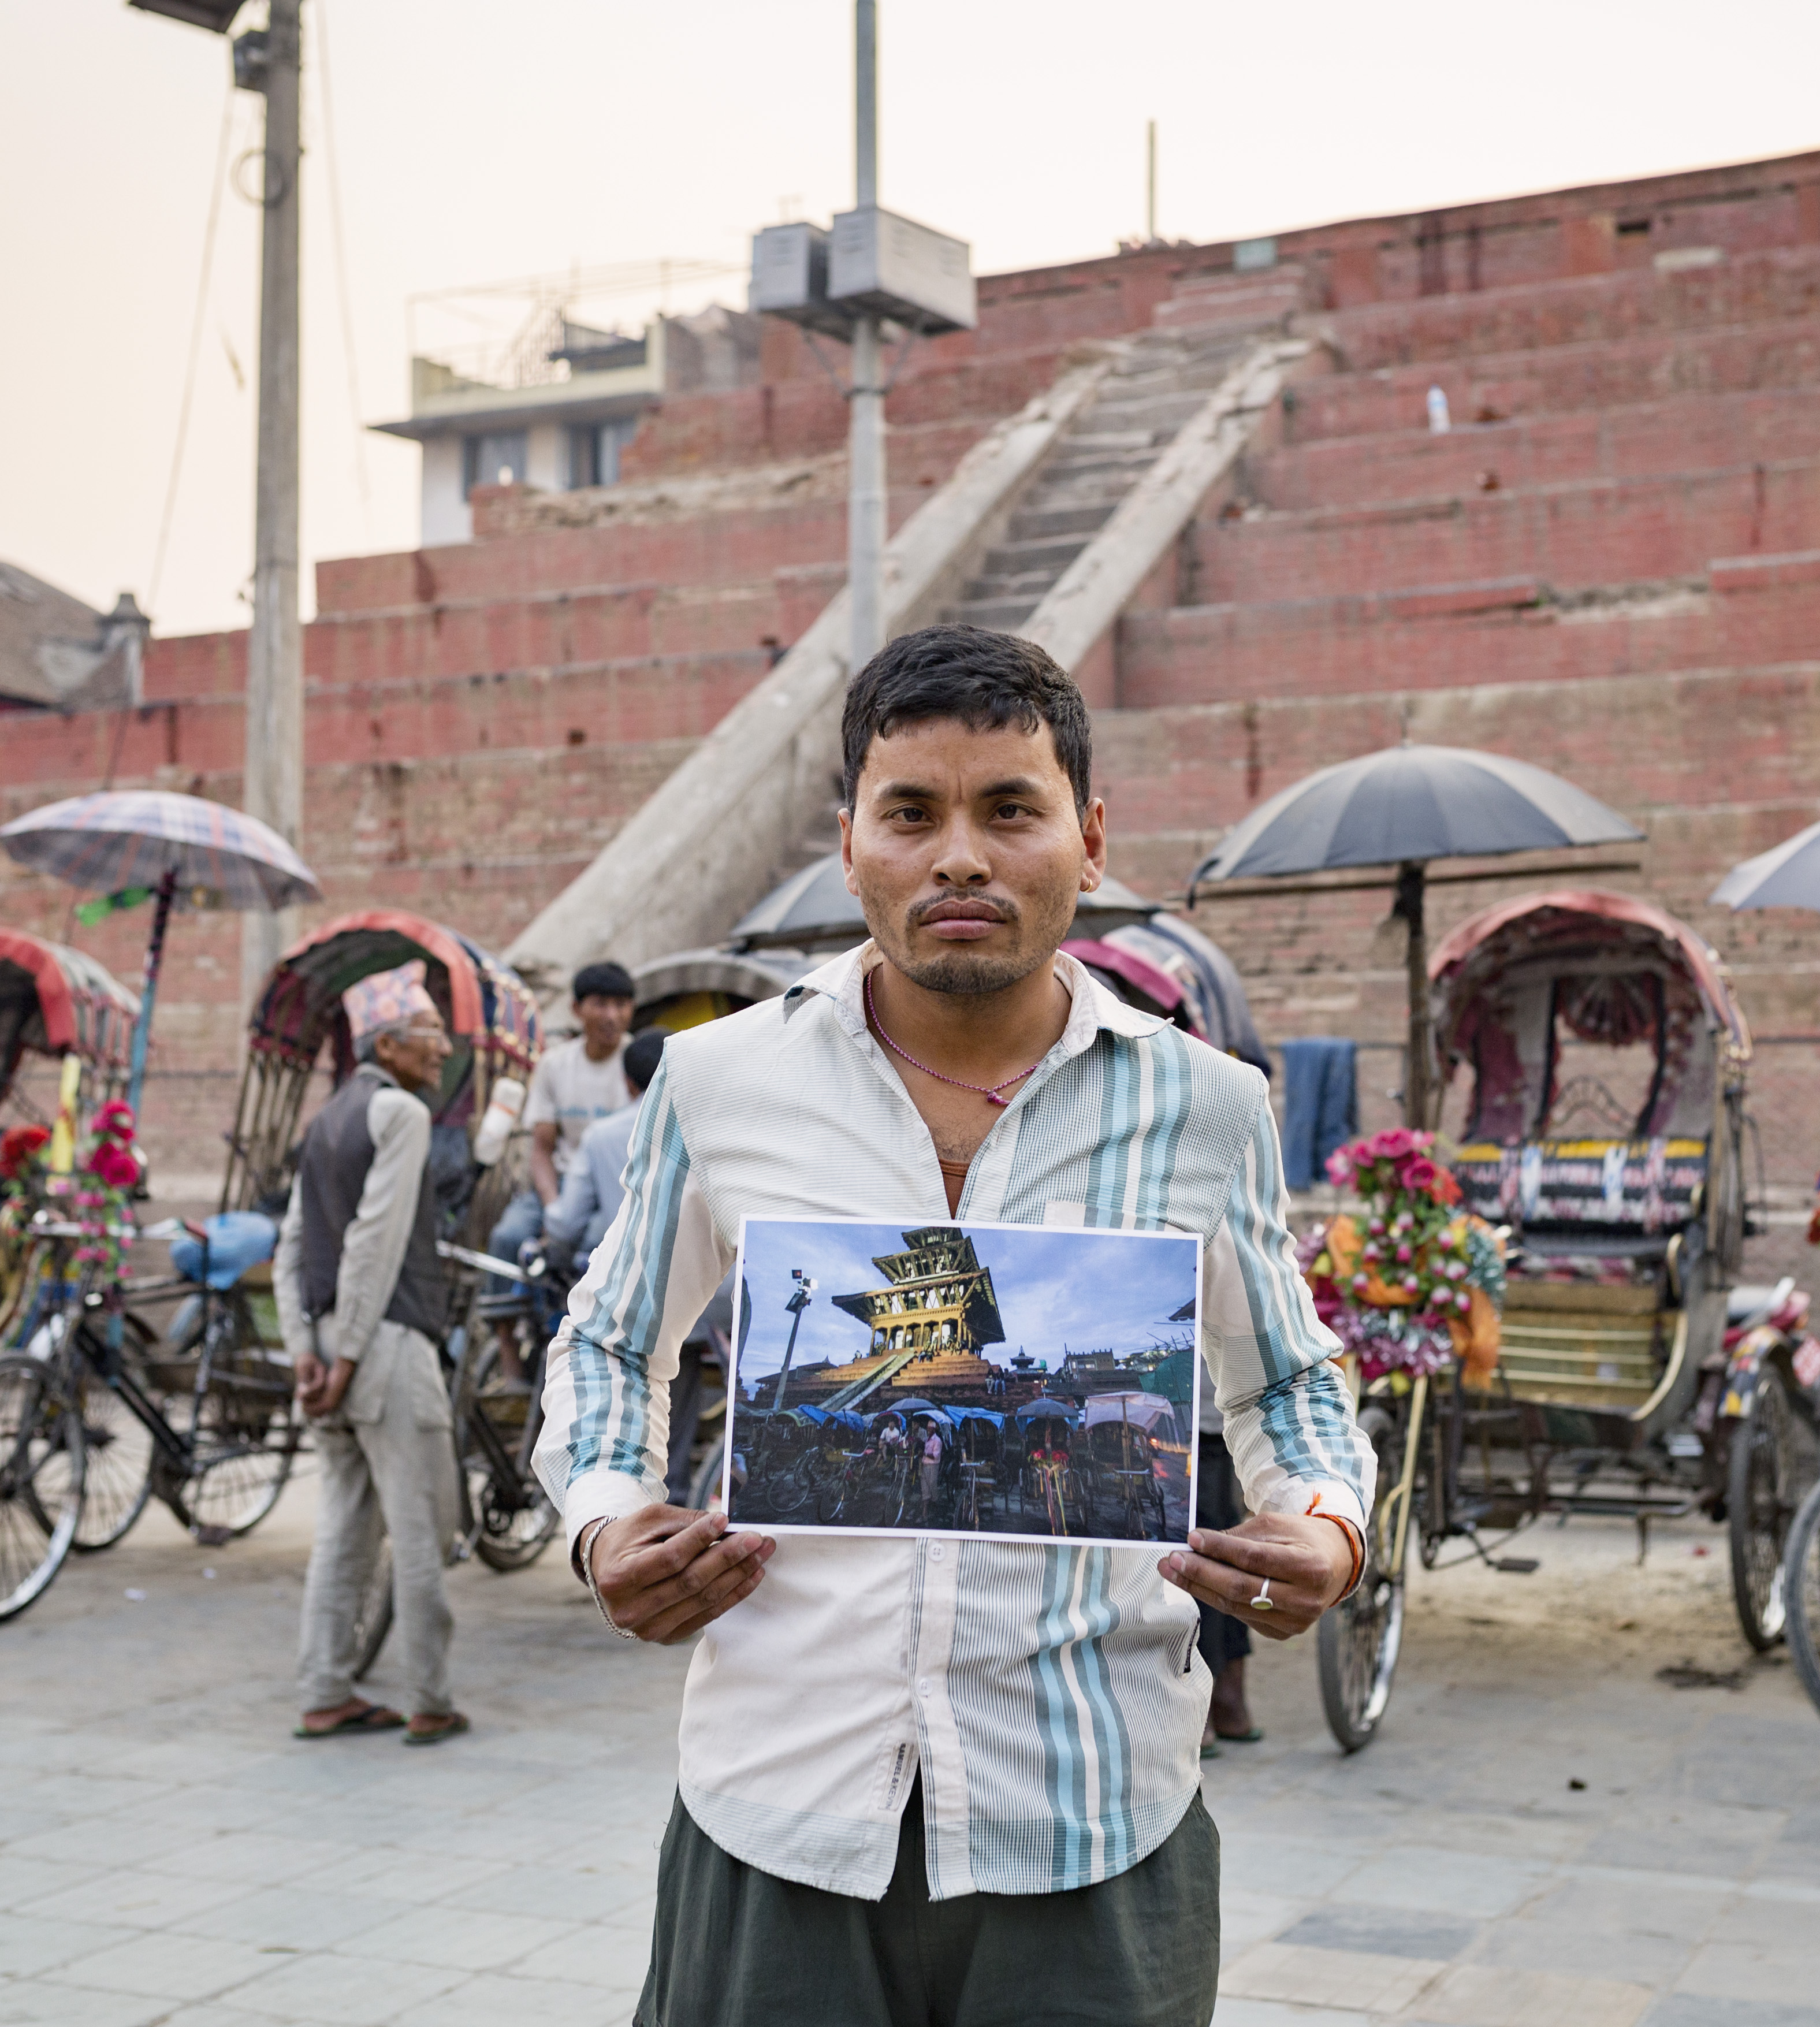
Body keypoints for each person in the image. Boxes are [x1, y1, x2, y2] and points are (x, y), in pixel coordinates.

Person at [536, 623, 1375, 2027]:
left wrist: (1328, 1526)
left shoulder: (1208, 1107)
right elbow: (611, 1343)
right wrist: (609, 1516)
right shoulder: (717, 1084)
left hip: (1094, 1821)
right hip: (780, 1810)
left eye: (1010, 810)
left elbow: (1286, 1384)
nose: (961, 857)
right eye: (913, 812)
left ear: (1089, 839)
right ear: (850, 841)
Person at [276, 962, 467, 1747]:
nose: (443, 1048)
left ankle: (325, 1690)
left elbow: (293, 1249)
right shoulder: (400, 1114)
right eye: (429, 1036)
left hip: (329, 1342)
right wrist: (350, 1356)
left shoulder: (325, 1121)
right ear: (388, 1044)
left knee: (346, 1527)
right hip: (383, 1347)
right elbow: (374, 1245)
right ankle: (431, 1697)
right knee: (418, 1528)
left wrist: (306, 1354)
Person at [489, 960, 641, 1273]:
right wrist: (554, 1208)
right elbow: (542, 1149)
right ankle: (501, 1322)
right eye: (601, 1004)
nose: (612, 1016)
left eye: (621, 1005)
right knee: (507, 1238)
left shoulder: (639, 1065)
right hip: (560, 1184)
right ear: (576, 1009)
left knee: (592, 1247)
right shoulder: (554, 1065)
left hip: (614, 1189)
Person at [539, 1026, 668, 1270]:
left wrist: (551, 1215)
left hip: (636, 1276)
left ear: (628, 1083)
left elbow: (567, 1224)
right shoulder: (716, 1125)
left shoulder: (600, 1136)